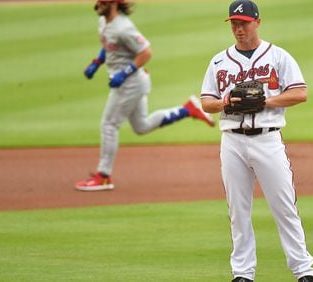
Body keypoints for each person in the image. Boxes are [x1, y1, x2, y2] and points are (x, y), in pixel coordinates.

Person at [199, 1, 313, 281]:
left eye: (244, 23)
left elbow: (300, 93)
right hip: (232, 143)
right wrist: (225, 101)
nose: (239, 29)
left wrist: (266, 101)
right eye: (234, 24)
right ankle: (242, 274)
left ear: (257, 22)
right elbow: (206, 102)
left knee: (284, 207)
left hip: (268, 140)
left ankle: (304, 272)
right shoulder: (219, 62)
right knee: (238, 212)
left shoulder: (278, 57)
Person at [75, 0, 214, 191]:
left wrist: (124, 73)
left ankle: (103, 176)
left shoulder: (124, 28)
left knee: (109, 124)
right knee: (141, 126)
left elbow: (146, 52)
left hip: (130, 84)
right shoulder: (103, 21)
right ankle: (187, 109)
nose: (99, 3)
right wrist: (97, 62)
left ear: (114, 3)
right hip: (134, 82)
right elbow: (109, 45)